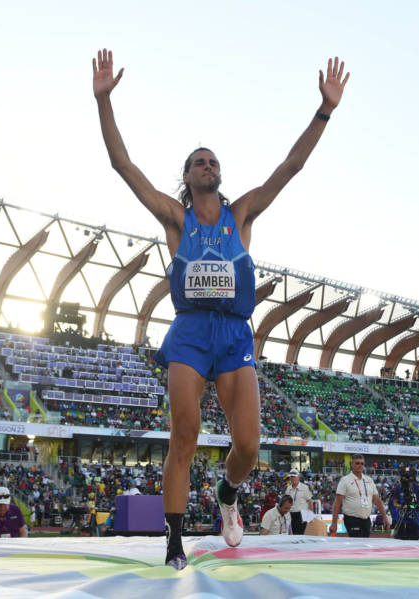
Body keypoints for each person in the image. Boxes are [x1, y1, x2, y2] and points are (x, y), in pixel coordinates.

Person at [93, 48, 350, 570]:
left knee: (249, 447)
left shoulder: (242, 214)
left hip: (234, 333)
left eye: (213, 161)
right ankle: (174, 543)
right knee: (183, 436)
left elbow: (291, 167)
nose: (208, 166)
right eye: (199, 162)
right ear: (187, 177)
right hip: (190, 332)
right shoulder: (175, 219)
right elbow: (123, 165)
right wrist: (103, 101)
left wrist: (325, 110)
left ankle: (227, 493)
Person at [329, 454, 390, 537]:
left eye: (362, 463)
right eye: (357, 463)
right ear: (352, 464)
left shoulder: (369, 480)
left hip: (366, 520)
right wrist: (334, 523)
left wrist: (385, 517)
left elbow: (377, 500)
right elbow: (337, 503)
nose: (360, 465)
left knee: (364, 543)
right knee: (357, 540)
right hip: (352, 519)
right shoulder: (345, 480)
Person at [284, 468, 315, 535]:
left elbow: (310, 501)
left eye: (294, 477)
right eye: (291, 477)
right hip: (291, 514)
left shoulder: (304, 487)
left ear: (298, 477)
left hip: (302, 514)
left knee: (301, 534)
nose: (292, 478)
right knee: (294, 534)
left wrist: (311, 515)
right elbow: (286, 501)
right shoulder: (288, 489)